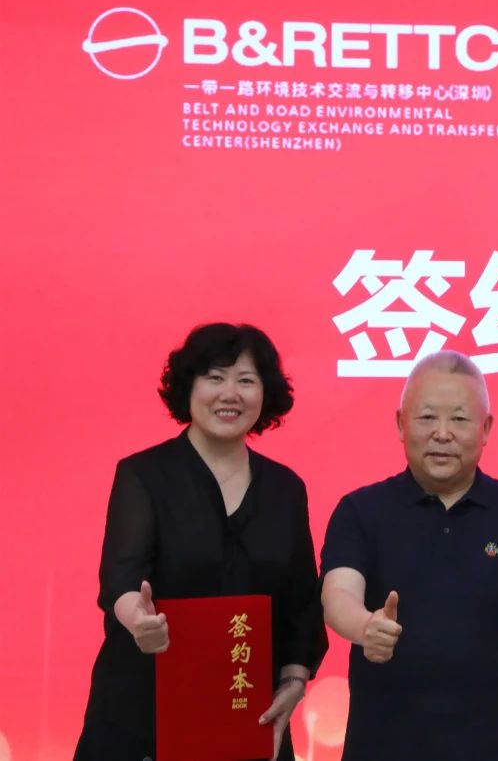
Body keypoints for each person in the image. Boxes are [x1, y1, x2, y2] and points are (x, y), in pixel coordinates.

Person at [74, 323, 328, 761]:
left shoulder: (286, 488)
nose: (230, 394)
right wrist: (141, 621)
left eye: (246, 380)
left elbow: (302, 602)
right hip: (146, 708)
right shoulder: (144, 475)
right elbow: (122, 579)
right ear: (188, 387)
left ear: (265, 393)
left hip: (249, 714)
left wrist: (293, 682)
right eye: (214, 377)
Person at [320, 350, 498, 760]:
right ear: (400, 424)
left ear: (485, 429)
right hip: (382, 749)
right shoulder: (361, 510)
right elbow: (337, 595)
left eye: (459, 419)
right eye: (426, 417)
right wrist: (365, 627)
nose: (442, 433)